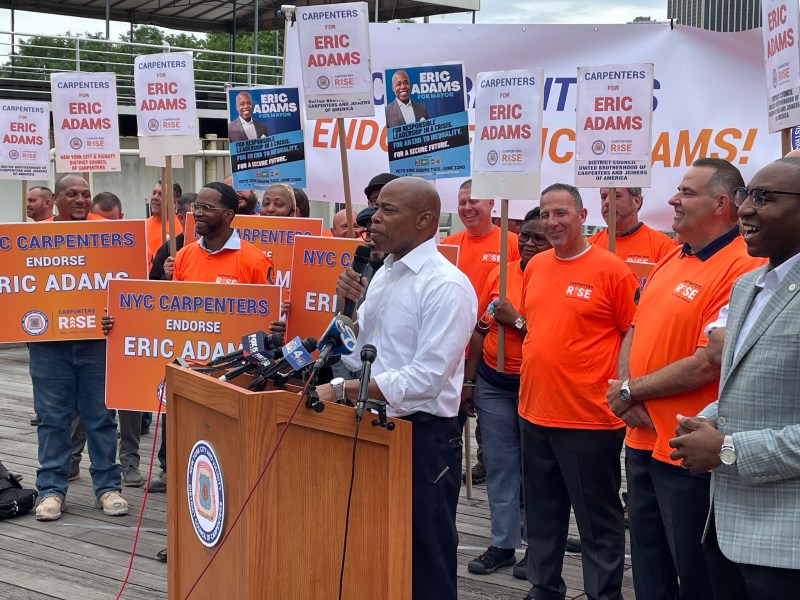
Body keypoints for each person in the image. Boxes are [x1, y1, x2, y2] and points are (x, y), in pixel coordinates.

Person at [606, 159, 764, 600]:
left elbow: (707, 363)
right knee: (651, 571)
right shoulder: (671, 256)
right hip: (641, 439)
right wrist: (625, 391)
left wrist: (631, 389)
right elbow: (634, 328)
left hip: (690, 449)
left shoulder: (744, 267)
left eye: (686, 192)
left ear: (720, 204)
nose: (673, 199)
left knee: (697, 577)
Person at [316, 176, 476, 600]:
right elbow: (357, 355)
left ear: (424, 220)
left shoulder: (445, 285)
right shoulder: (382, 275)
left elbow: (426, 379)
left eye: (388, 210)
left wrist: (342, 390)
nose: (374, 219)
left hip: (421, 437)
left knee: (426, 556)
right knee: (372, 545)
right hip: (368, 426)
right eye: (376, 209)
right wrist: (343, 312)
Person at [105, 181, 274, 561]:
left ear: (229, 215)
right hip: (187, 378)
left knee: (230, 461)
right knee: (186, 460)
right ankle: (184, 535)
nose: (197, 213)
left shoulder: (253, 260)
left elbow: (267, 322)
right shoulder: (182, 257)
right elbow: (172, 316)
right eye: (195, 207)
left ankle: (233, 539)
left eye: (207, 208)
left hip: (233, 381)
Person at [669, 157, 800, 600]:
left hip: (786, 547)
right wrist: (704, 420)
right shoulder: (749, 286)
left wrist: (725, 449)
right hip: (724, 528)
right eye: (747, 196)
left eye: (764, 198)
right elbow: (741, 387)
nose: (745, 209)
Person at [519, 183, 638, 600]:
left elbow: (632, 332)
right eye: (545, 214)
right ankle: (544, 585)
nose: (552, 222)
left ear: (583, 215)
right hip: (534, 411)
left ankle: (604, 593)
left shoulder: (612, 270)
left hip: (588, 418)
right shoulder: (535, 267)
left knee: (597, 519)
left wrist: (622, 391)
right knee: (542, 511)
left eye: (561, 213)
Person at [32, 174, 127, 521]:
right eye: (71, 194)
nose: (80, 199)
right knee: (52, 419)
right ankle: (51, 490)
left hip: (97, 344)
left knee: (101, 417)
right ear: (53, 200)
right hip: (48, 346)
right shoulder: (33, 238)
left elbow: (129, 286)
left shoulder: (112, 237)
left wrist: (116, 315)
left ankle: (107, 488)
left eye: (85, 194)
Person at [464, 208, 551, 579]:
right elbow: (482, 330)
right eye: (526, 236)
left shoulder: (555, 278)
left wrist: (516, 320)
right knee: (501, 467)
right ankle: (503, 542)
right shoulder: (500, 273)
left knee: (536, 470)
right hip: (494, 383)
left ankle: (538, 547)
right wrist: (469, 383)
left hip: (538, 386)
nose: (530, 243)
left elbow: (555, 340)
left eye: (539, 237)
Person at [441, 178, 520, 483]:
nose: (467, 207)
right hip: (452, 344)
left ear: (491, 204)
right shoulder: (449, 246)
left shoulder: (510, 243)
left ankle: (488, 461)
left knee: (488, 417)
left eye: (474, 200)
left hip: (490, 345)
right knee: (451, 415)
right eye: (462, 202)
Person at [146, 191, 196, 497]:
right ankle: (168, 466)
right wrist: (166, 278)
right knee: (171, 405)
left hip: (215, 342)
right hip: (178, 338)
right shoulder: (172, 247)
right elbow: (149, 292)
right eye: (189, 215)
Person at [587, 187, 675, 270]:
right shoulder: (588, 246)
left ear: (636, 201)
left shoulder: (663, 246)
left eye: (616, 196)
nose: (607, 202)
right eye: (603, 197)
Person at [145, 180, 183, 262]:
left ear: (174, 202)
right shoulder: (142, 227)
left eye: (161, 194)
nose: (155, 197)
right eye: (153, 193)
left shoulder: (183, 226)